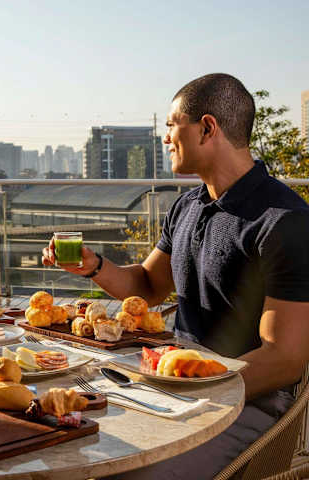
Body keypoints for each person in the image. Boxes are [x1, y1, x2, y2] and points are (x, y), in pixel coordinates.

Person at [42, 73, 309, 479]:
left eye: (171, 125)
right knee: (64, 437)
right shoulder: (187, 206)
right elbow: (147, 287)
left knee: (124, 472)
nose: (165, 137)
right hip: (171, 384)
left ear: (206, 128)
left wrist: (189, 386)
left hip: (246, 400)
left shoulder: (285, 221)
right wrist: (93, 266)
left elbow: (284, 359)